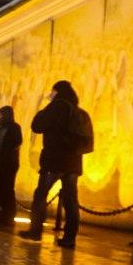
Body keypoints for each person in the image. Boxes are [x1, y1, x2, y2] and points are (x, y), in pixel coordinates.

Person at [20, 80, 88, 248]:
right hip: (73, 163)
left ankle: (35, 232)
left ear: (57, 92)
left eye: (52, 92)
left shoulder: (57, 106)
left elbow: (37, 125)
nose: (50, 95)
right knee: (71, 200)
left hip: (55, 161)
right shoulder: (80, 112)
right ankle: (69, 239)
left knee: (41, 194)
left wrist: (47, 106)